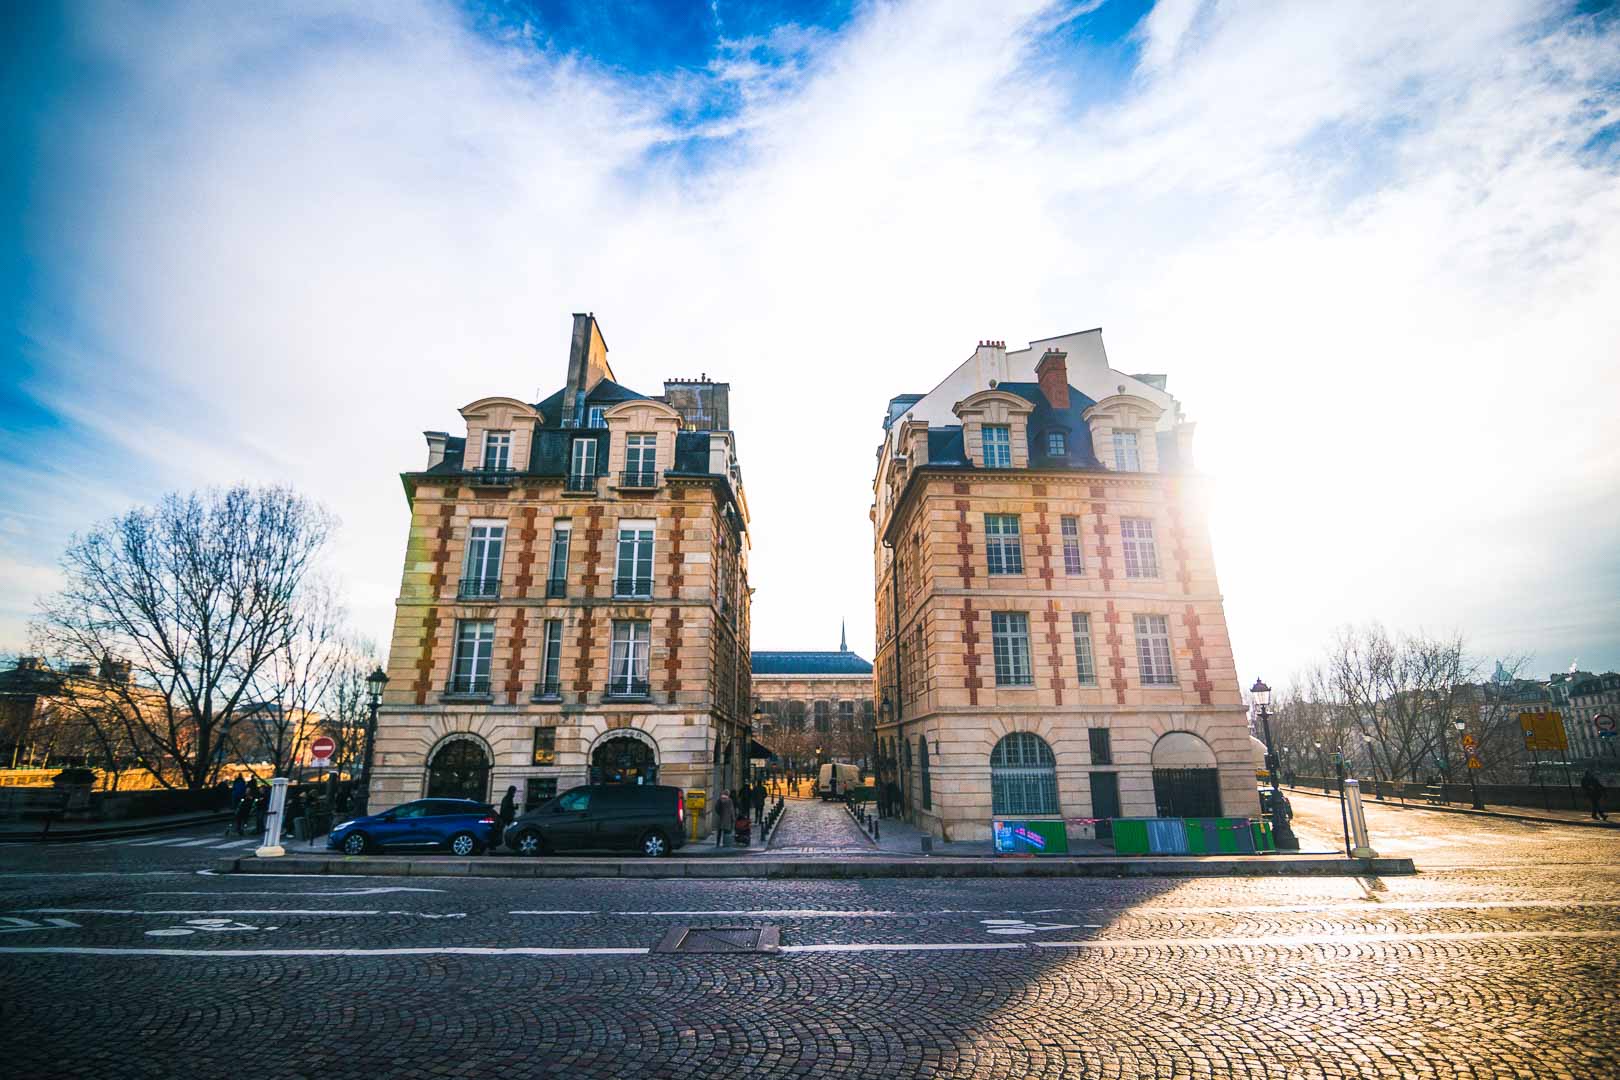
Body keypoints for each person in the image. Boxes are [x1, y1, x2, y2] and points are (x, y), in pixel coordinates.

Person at [498, 784, 518, 849]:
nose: (515, 793)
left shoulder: (508, 797)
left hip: (506, 816)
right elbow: (506, 807)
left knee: (505, 828)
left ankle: (504, 841)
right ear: (512, 791)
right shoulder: (508, 798)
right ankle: (507, 841)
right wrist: (513, 808)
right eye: (514, 791)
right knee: (512, 827)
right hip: (506, 816)